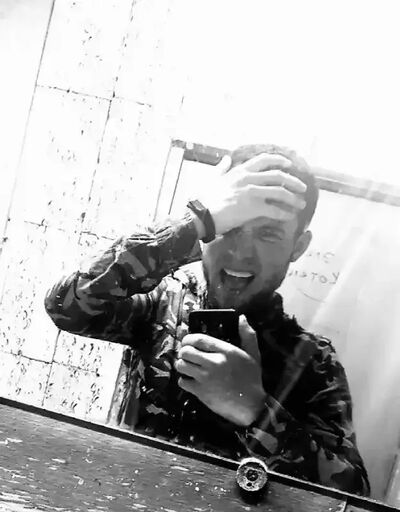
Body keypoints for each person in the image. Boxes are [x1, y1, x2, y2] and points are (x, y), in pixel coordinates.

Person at [45, 143, 370, 495]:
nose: (240, 253)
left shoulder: (314, 361)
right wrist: (196, 221)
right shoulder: (160, 304)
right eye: (229, 225)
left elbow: (353, 496)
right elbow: (66, 305)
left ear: (298, 247)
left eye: (268, 233)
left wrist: (256, 411)